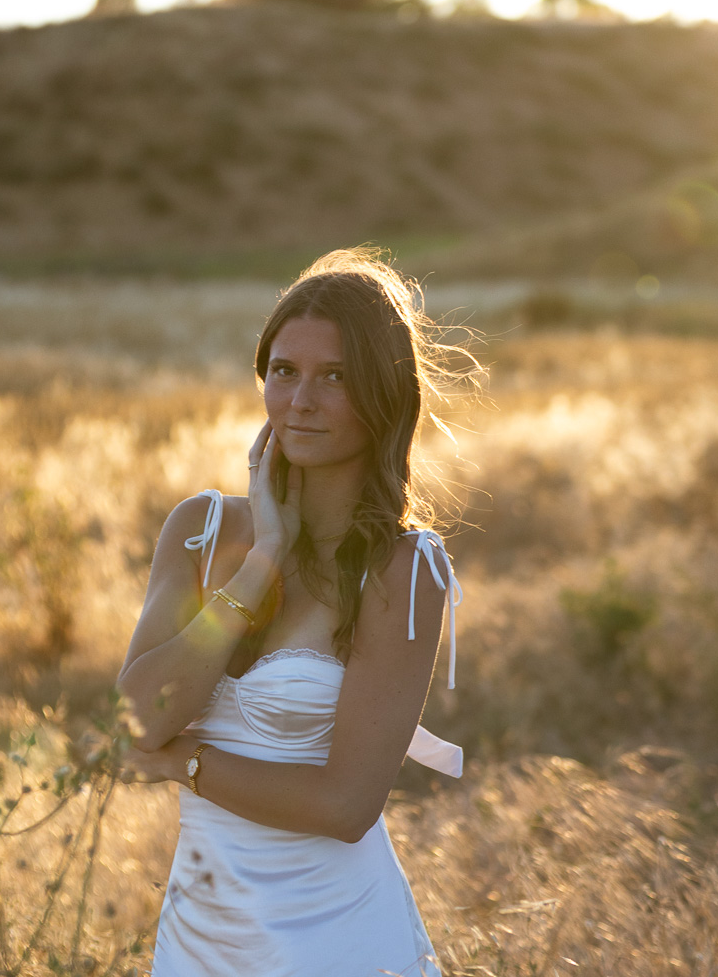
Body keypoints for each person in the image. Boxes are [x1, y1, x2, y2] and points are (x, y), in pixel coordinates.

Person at [116, 250, 475, 977]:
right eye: (284, 371)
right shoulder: (200, 529)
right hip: (200, 940)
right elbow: (134, 720)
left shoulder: (405, 569)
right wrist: (263, 559)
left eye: (334, 377)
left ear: (384, 396)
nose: (300, 401)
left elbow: (346, 807)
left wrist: (183, 761)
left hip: (337, 941)